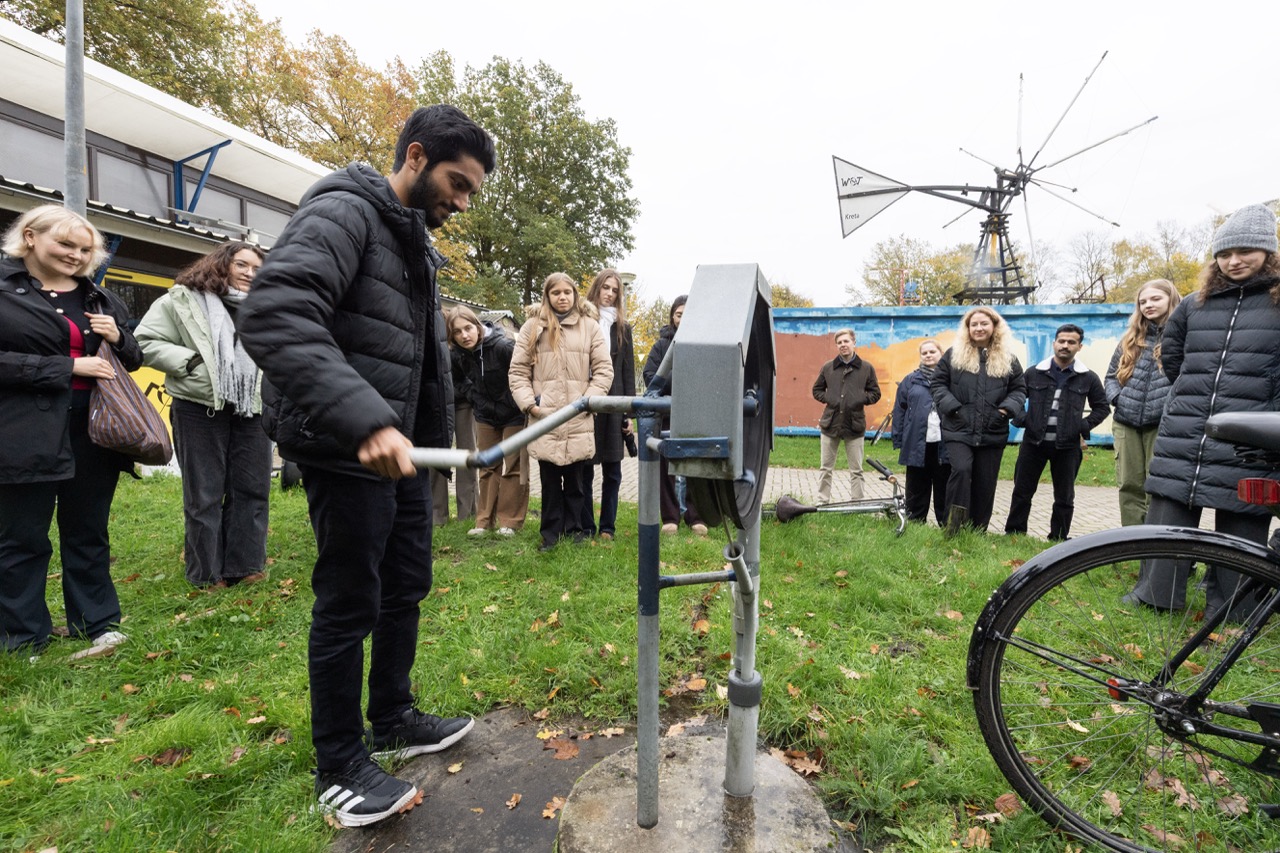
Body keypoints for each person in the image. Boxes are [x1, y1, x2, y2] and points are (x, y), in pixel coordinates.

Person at [238, 105, 496, 828]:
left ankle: (392, 714)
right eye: (457, 181)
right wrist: (365, 419)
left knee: (405, 584)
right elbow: (275, 311)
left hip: (405, 453)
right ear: (415, 156)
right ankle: (341, 764)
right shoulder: (345, 213)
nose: (463, 201)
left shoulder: (413, 240)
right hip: (348, 443)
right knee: (350, 600)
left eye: (472, 190)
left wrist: (420, 437)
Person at [1124, 203, 1280, 621]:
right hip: (1188, 427)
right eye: (1224, 254)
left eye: (1244, 251)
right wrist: (1192, 397)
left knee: (1242, 519)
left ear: (1268, 252)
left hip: (1250, 434)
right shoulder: (1194, 305)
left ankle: (1234, 609)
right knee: (1169, 509)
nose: (1233, 261)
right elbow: (1171, 358)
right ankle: (1155, 594)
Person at [0, 204, 142, 657]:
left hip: (93, 430)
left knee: (88, 530)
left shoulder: (99, 297)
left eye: (85, 249)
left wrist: (119, 338)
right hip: (23, 429)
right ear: (29, 238)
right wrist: (65, 366)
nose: (76, 255)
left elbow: (134, 357)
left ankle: (98, 624)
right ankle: (22, 637)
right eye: (65, 243)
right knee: (22, 536)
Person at [135, 241, 272, 589]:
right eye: (242, 265)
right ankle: (206, 573)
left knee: (252, 489)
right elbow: (146, 341)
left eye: (258, 268)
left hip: (252, 406)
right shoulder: (181, 300)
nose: (250, 274)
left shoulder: (268, 306)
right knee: (204, 494)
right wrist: (192, 364)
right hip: (198, 406)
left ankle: (245, 565)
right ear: (221, 264)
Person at [508, 272, 613, 551]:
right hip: (545, 416)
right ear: (547, 296)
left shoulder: (590, 327)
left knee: (577, 479)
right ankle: (551, 534)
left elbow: (604, 370)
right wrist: (530, 404)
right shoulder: (533, 327)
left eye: (567, 292)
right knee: (550, 480)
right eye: (556, 293)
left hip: (578, 415)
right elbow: (518, 371)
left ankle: (576, 530)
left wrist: (588, 401)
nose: (562, 297)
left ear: (575, 295)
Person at [1004, 324, 1110, 541]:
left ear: (1079, 347)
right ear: (1054, 343)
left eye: (1071, 342)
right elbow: (1014, 398)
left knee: (1064, 496)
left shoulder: (1087, 377)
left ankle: (1059, 538)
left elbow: (1102, 407)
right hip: (1033, 443)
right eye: (1061, 341)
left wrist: (1082, 426)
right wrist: (1024, 420)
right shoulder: (1034, 373)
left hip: (1068, 446)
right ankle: (1014, 534)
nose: (1065, 345)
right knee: (1022, 491)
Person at [930, 306, 1026, 536]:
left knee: (986, 481)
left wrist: (1005, 411)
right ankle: (953, 528)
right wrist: (954, 408)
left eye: (984, 323)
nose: (979, 328)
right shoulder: (953, 355)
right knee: (961, 471)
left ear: (994, 327)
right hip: (958, 428)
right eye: (974, 324)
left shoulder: (1008, 359)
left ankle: (977, 530)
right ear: (967, 328)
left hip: (993, 430)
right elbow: (937, 384)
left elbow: (1019, 389)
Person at [1104, 279, 1181, 527]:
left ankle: (1155, 550)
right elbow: (1110, 378)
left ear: (1171, 299)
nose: (1148, 305)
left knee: (1156, 487)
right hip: (1126, 422)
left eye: (1156, 299)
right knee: (1128, 485)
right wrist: (1118, 399)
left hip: (1162, 424)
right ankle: (1132, 546)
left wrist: (1168, 407)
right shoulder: (1130, 338)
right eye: (1143, 301)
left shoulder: (1184, 335)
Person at [447, 306, 528, 536]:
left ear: (477, 326)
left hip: (513, 413)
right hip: (484, 415)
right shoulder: (457, 355)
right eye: (457, 332)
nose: (464, 335)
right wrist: (474, 397)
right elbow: (458, 381)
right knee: (487, 466)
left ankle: (509, 522)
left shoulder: (503, 347)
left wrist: (516, 401)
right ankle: (483, 521)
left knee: (512, 466)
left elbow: (522, 373)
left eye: (468, 328)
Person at [641, 295, 707, 535]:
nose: (683, 319)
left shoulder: (704, 343)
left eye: (688, 314)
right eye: (679, 314)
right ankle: (670, 518)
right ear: (672, 316)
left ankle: (695, 516)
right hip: (667, 414)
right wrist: (681, 386)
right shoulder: (661, 346)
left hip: (694, 414)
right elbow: (651, 376)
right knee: (666, 466)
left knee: (694, 465)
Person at [579, 269, 636, 541]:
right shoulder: (582, 321)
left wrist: (628, 412)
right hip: (587, 399)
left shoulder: (623, 328)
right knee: (585, 468)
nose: (610, 294)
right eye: (606, 288)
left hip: (613, 402)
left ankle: (607, 528)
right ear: (596, 288)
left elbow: (627, 371)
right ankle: (587, 525)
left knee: (613, 469)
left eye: (615, 290)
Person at [811, 328, 881, 504]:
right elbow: (816, 390)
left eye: (846, 341)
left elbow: (875, 393)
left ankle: (857, 502)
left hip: (855, 425)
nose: (843, 345)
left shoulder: (866, 368)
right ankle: (822, 501)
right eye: (839, 342)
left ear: (854, 342)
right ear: (837, 346)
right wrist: (830, 398)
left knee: (856, 470)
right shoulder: (828, 367)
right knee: (826, 468)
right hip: (830, 424)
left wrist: (859, 399)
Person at [892, 339, 950, 525]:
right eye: (924, 353)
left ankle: (946, 524)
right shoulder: (910, 380)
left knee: (945, 486)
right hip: (917, 443)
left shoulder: (952, 378)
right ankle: (916, 523)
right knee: (917, 487)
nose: (928, 355)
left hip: (944, 443)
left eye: (932, 351)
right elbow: (900, 410)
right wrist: (898, 438)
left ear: (941, 353)